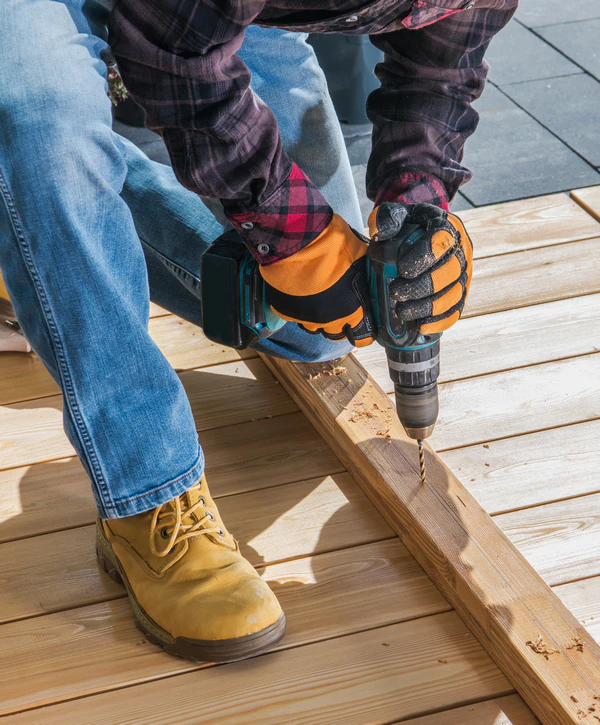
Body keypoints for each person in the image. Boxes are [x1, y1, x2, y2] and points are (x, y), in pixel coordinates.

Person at [0, 0, 514, 663]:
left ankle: (38, 211)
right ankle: (148, 489)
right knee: (43, 125)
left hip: (203, 16)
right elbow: (171, 54)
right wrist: (293, 236)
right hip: (156, 23)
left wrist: (417, 208)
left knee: (320, 327)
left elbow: (442, 68)